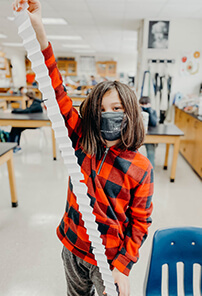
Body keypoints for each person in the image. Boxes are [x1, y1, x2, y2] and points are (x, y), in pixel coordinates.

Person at [13, 1, 154, 295]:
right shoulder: (79, 141)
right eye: (102, 109)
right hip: (73, 246)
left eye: (116, 108)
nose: (108, 115)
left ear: (130, 112)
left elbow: (140, 222)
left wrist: (123, 267)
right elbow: (54, 88)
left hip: (109, 260)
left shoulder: (140, 168)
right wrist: (39, 30)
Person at [139, 96, 158, 168]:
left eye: (146, 104)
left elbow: (153, 123)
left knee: (150, 150)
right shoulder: (137, 111)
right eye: (142, 104)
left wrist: (149, 111)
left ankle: (151, 168)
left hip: (150, 135)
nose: (144, 106)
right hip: (139, 135)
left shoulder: (153, 111)